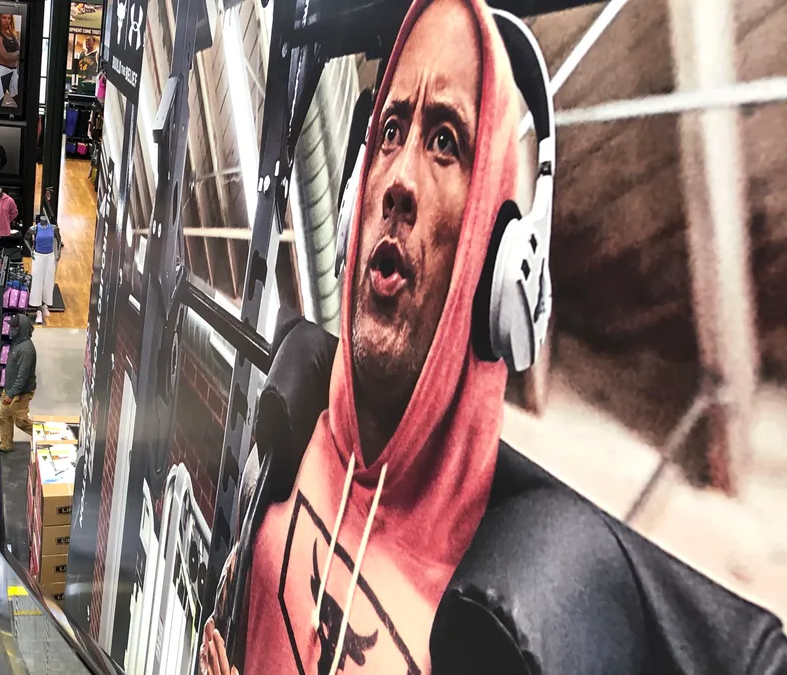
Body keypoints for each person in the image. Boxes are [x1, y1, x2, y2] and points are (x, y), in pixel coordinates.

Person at [198, 1, 787, 674]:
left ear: (507, 261)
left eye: (445, 141)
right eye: (391, 131)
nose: (399, 182)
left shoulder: (502, 612)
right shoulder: (296, 431)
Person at [0, 314, 36, 452]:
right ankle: (6, 445)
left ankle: (43, 437)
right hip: (9, 389)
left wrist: (12, 394)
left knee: (20, 420)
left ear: (22, 328)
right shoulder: (17, 343)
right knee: (5, 416)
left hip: (21, 392)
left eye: (14, 327)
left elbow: (22, 376)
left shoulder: (26, 349)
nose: (11, 329)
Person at [0, 14, 21, 106]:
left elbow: (20, 49)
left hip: (13, 72)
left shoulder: (11, 35)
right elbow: (5, 56)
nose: (6, 20)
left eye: (9, 18)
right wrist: (18, 54)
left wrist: (12, 34)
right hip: (1, 73)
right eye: (4, 18)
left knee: (19, 102)